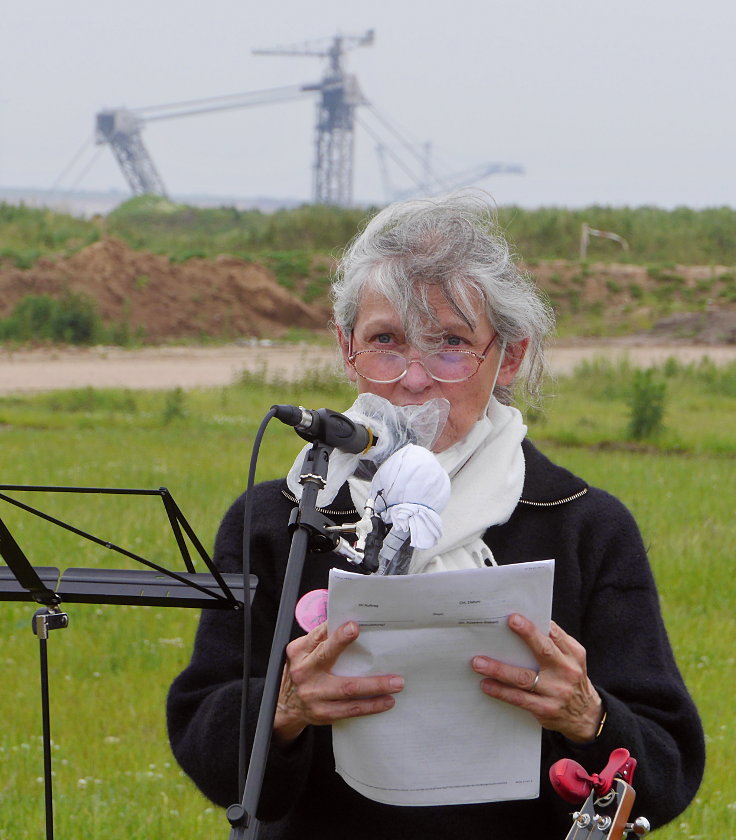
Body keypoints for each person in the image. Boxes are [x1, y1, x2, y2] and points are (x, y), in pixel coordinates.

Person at [167, 193, 704, 839]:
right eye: (386, 341)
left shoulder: (581, 524)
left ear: (508, 357)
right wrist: (283, 709)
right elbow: (209, 755)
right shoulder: (280, 515)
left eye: (450, 343)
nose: (414, 379)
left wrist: (589, 718)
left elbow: (666, 778)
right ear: (346, 348)